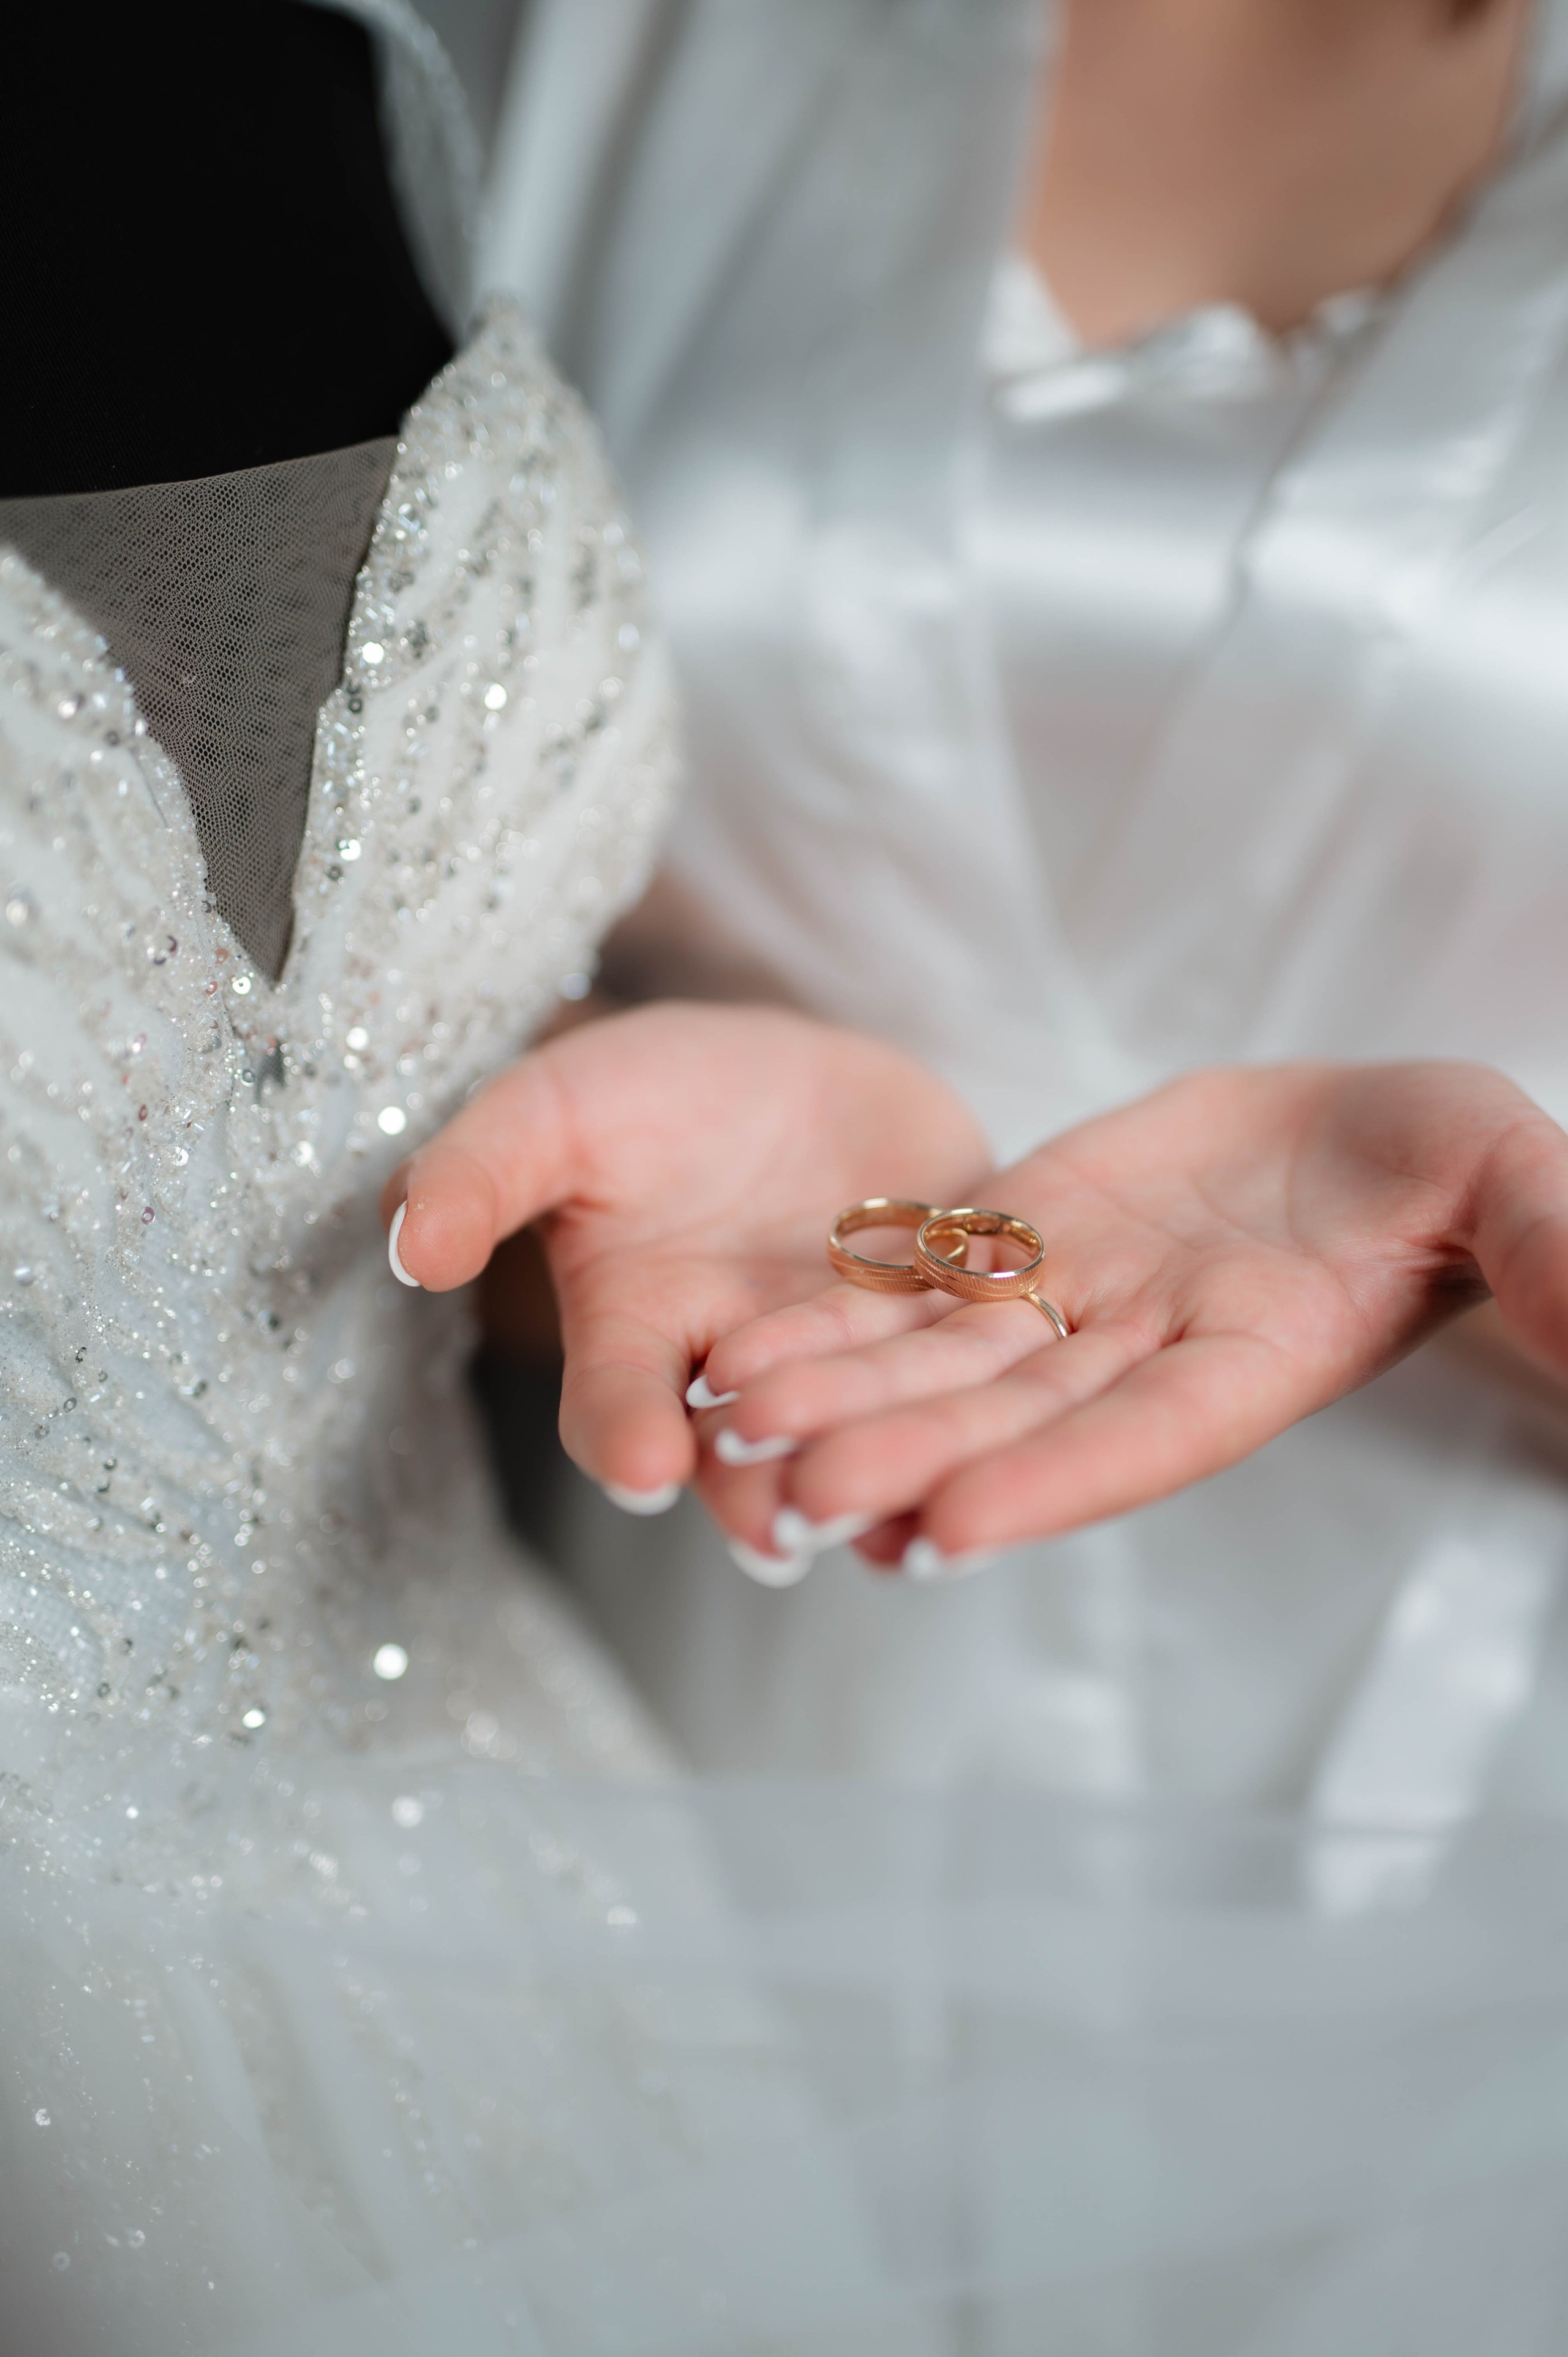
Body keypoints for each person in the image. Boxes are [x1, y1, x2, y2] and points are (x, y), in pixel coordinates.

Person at [391, 0, 1568, 1820]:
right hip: (708, 1632)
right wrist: (560, 1135)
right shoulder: (583, 45)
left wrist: (1490, 1254)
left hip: (1466, 1735)